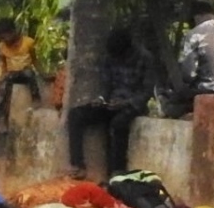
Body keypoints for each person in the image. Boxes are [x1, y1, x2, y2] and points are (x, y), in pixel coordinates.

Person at [65, 28, 153, 180]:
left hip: (133, 106)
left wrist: (125, 103)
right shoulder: (109, 58)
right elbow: (107, 85)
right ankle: (78, 165)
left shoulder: (145, 58)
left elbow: (146, 92)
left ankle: (117, 173)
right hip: (111, 103)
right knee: (75, 115)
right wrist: (101, 99)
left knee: (118, 124)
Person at [0, 18, 42, 115]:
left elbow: (35, 60)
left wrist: (42, 73)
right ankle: (1, 110)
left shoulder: (28, 42)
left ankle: (36, 99)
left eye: (5, 37)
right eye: (1, 38)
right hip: (12, 74)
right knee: (4, 84)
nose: (4, 40)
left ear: (13, 31)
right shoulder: (2, 46)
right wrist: (0, 77)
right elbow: (3, 64)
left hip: (25, 72)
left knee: (29, 73)